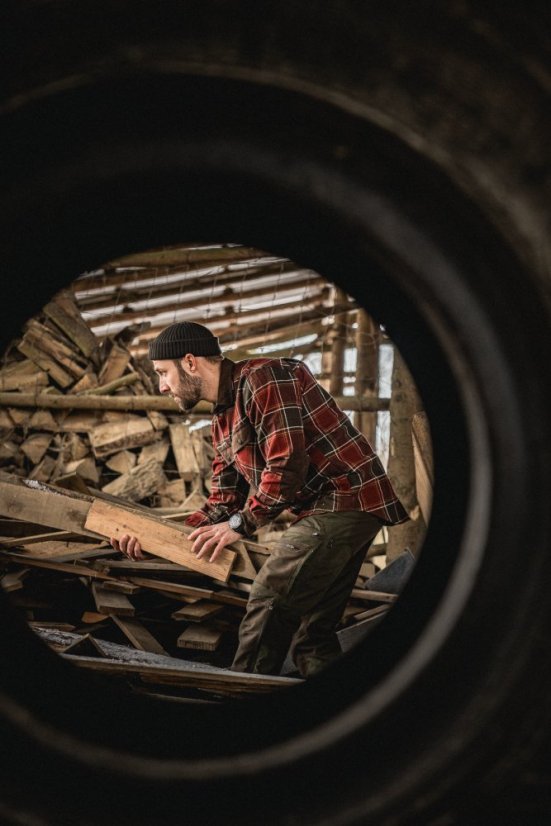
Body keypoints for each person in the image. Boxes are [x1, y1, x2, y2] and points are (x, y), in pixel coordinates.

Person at [111, 321, 408, 677]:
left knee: (270, 596)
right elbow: (222, 501)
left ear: (190, 362)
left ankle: (239, 693)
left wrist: (242, 524)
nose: (161, 386)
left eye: (163, 373)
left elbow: (286, 464)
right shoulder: (221, 419)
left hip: (346, 496)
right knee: (312, 636)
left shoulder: (263, 377)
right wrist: (154, 539)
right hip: (326, 508)